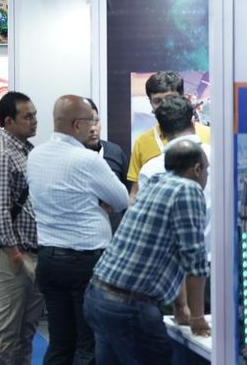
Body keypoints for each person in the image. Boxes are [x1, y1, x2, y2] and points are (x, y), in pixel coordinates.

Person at [84, 140, 211, 364]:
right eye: (207, 169)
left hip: (98, 295)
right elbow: (194, 260)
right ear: (197, 169)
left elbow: (174, 255)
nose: (207, 175)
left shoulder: (155, 183)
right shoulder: (188, 189)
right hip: (130, 307)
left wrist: (181, 307)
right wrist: (198, 317)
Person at [26, 95, 129, 364]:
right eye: (91, 120)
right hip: (85, 260)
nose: (94, 126)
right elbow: (120, 200)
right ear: (76, 125)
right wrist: (96, 200)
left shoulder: (35, 155)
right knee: (88, 343)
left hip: (48, 258)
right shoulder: (88, 160)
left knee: (60, 342)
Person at [0, 91, 43, 365]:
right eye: (27, 116)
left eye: (35, 115)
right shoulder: (1, 154)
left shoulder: (24, 149)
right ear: (8, 121)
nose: (34, 121)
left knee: (26, 332)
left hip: (30, 253)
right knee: (6, 334)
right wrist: (14, 252)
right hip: (13, 257)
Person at [136, 95, 213, 260]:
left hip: (171, 268)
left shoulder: (150, 170)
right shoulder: (220, 156)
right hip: (220, 263)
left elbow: (149, 225)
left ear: (162, 131)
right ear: (193, 122)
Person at [127, 71, 211, 199]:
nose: (165, 106)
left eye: (171, 99)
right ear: (150, 104)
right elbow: (135, 193)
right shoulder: (142, 142)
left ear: (183, 98)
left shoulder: (210, 135)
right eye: (157, 101)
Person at [84, 98, 129, 229]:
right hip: (85, 233)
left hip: (115, 231)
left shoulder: (115, 152)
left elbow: (128, 193)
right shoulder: (70, 156)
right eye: (87, 123)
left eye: (96, 121)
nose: (93, 128)